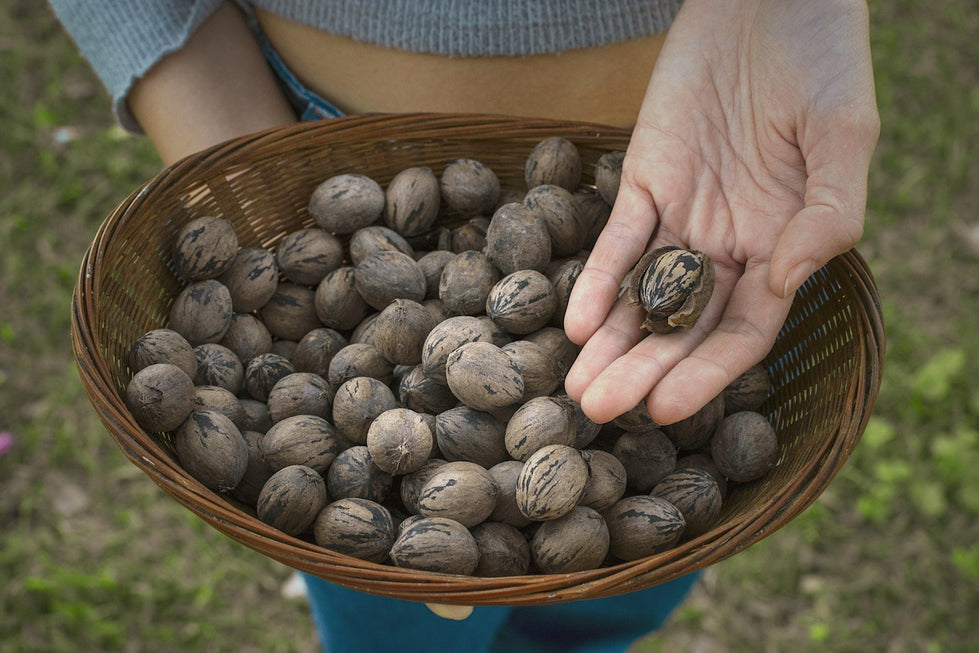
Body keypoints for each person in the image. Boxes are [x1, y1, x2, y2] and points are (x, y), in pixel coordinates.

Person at [49, 1, 879, 651]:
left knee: (610, 599)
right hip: (310, 133)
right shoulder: (359, 325)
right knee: (395, 627)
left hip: (710, 188)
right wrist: (242, 147)